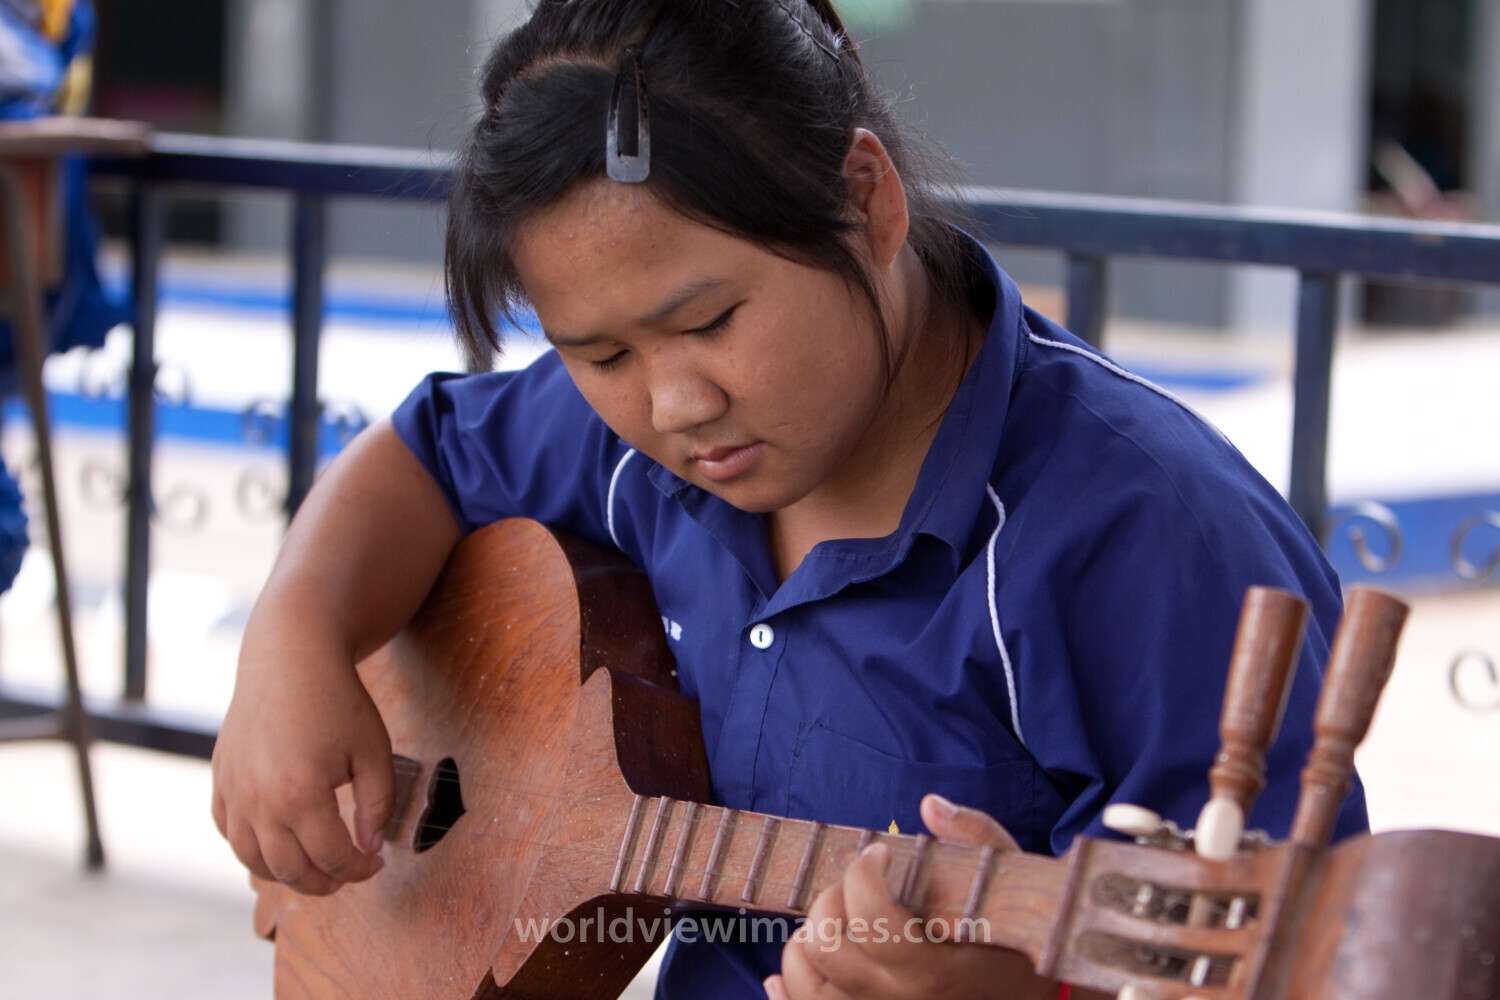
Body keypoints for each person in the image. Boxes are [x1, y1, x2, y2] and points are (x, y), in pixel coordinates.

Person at [209, 2, 1366, 998]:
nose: (674, 401)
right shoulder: (639, 450)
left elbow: (1284, 955)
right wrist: (295, 635)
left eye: (711, 321)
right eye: (598, 354)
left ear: (867, 199)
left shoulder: (1150, 538)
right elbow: (428, 451)